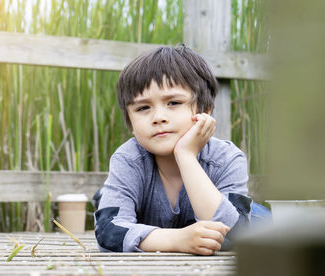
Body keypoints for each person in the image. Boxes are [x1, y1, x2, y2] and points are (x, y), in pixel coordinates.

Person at [94, 45, 269, 255]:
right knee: (110, 213)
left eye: (173, 102)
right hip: (164, 229)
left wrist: (186, 155)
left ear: (204, 111)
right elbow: (107, 232)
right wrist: (176, 240)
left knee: (271, 227)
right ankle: (110, 197)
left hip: (254, 222)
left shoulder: (226, 158)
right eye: (143, 108)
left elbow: (235, 234)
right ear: (130, 124)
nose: (158, 117)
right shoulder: (128, 160)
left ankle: (107, 196)